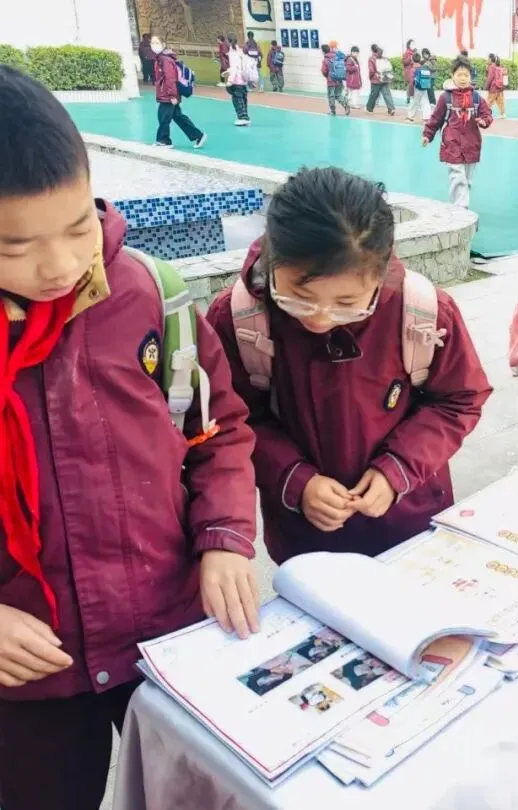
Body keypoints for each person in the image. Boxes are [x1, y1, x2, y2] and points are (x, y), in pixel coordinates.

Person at [0, 65, 258, 810]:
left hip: (165, 633)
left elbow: (216, 432)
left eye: (78, 226)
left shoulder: (148, 294)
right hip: (31, 673)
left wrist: (224, 538)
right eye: (15, 245)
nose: (60, 265)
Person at [205, 168, 491, 563]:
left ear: (380, 274)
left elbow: (460, 399)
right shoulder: (238, 318)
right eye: (299, 297)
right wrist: (294, 479)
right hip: (305, 540)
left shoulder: (423, 312)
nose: (320, 318)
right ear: (272, 259)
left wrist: (400, 468)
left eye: (347, 304)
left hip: (410, 524)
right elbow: (228, 419)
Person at [422, 57, 493, 208]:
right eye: (459, 75)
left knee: (467, 181)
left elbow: (487, 114)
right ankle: (460, 210)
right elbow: (436, 118)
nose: (463, 78)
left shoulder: (476, 98)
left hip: (472, 145)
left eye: (466, 75)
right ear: (452, 75)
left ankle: (458, 206)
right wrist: (428, 134)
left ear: (470, 77)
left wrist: (484, 121)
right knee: (457, 178)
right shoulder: (446, 98)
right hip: (452, 144)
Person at [151, 36, 206, 149]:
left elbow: (170, 78)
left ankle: (164, 140)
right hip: (168, 94)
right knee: (178, 116)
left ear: (163, 44)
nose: (154, 45)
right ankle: (198, 135)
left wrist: (172, 95)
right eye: (152, 43)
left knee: (163, 118)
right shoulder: (162, 58)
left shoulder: (165, 59)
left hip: (168, 95)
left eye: (156, 42)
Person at [225, 35, 253, 126]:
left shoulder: (233, 53)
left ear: (228, 42)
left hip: (236, 81)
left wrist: (230, 81)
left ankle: (242, 117)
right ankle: (245, 116)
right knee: (243, 99)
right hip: (243, 80)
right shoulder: (240, 51)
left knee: (237, 100)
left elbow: (235, 67)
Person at [320, 43, 350, 117]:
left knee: (331, 96)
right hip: (339, 79)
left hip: (331, 81)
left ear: (323, 51)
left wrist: (328, 76)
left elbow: (324, 71)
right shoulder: (337, 56)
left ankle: (333, 111)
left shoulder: (326, 60)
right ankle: (346, 105)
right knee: (338, 95)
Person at [367, 44, 396, 115]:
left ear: (372, 50)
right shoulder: (383, 58)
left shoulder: (371, 59)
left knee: (373, 95)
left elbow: (371, 71)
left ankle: (369, 109)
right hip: (385, 78)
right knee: (387, 94)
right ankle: (391, 109)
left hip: (376, 79)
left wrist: (370, 77)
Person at [408, 52, 433, 122]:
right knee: (425, 102)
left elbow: (411, 82)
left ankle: (410, 116)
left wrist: (410, 92)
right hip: (424, 87)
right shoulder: (424, 68)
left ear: (412, 60)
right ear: (419, 59)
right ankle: (427, 117)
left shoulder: (412, 69)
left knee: (414, 102)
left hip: (416, 88)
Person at [485, 53, 506, 118]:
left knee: (489, 101)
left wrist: (486, 86)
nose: (487, 59)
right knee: (500, 101)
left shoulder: (492, 67)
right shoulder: (498, 66)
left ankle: (485, 114)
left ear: (490, 59)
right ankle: (503, 114)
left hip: (493, 87)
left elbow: (490, 78)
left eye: (488, 58)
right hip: (499, 87)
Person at [403, 38, 416, 103]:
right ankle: (409, 98)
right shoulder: (407, 53)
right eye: (412, 44)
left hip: (413, 70)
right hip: (408, 71)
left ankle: (410, 98)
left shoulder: (414, 52)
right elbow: (404, 62)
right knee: (410, 85)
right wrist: (410, 58)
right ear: (409, 45)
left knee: (412, 85)